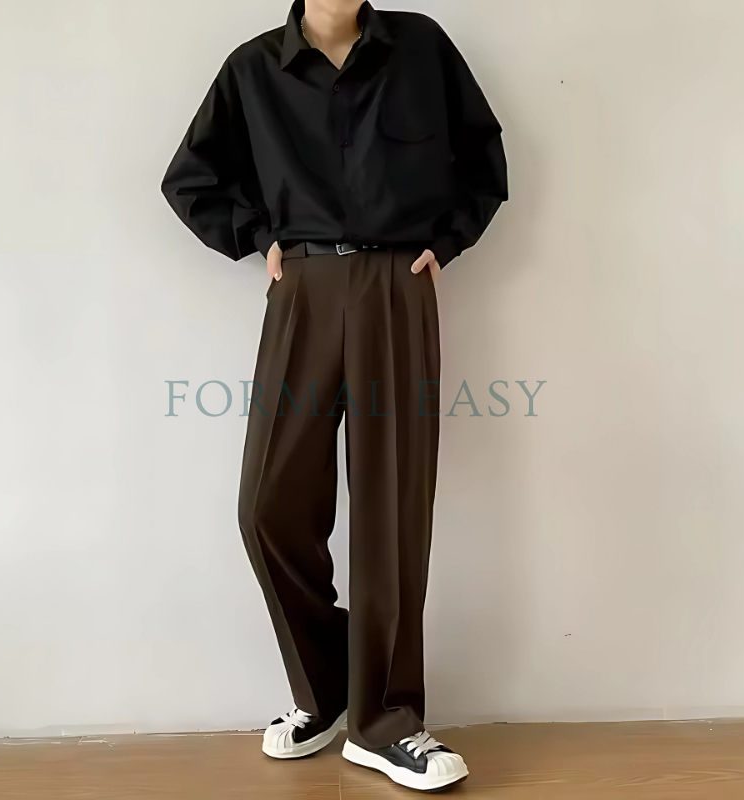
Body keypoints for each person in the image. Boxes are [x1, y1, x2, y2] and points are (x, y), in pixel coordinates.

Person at [161, 0, 507, 791]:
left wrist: (445, 242)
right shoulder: (253, 68)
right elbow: (190, 179)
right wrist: (258, 238)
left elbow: (483, 155)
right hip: (304, 283)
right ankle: (329, 689)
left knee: (392, 510)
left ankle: (384, 722)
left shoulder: (421, 47)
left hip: (398, 281)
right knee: (267, 506)